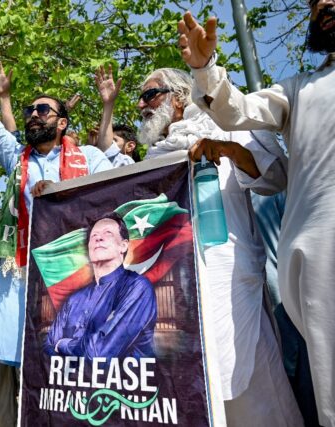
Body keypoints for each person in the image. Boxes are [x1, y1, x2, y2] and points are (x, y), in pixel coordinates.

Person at [178, 7, 334, 425]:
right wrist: (205, 69)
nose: (324, 7)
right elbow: (239, 111)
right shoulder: (300, 90)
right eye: (316, 3)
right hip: (321, 261)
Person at [129, 66, 302, 426]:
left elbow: (275, 177)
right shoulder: (150, 161)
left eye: (150, 95)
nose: (142, 106)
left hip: (230, 280)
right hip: (176, 293)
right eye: (140, 100)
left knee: (252, 389)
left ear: (178, 98)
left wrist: (229, 150)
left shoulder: (223, 126)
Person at [0, 12, 113, 368]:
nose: (33, 114)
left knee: (70, 370)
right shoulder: (15, 157)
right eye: (29, 109)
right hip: (22, 278)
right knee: (29, 380)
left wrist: (65, 194)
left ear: (62, 123)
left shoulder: (91, 159)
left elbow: (116, 196)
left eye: (43, 109)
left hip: (75, 277)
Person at [45, 216, 156, 360]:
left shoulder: (137, 287)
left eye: (107, 233)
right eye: (94, 236)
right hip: (71, 381)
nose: (99, 239)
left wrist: (62, 345)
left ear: (123, 246)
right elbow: (47, 348)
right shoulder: (74, 299)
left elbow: (100, 352)